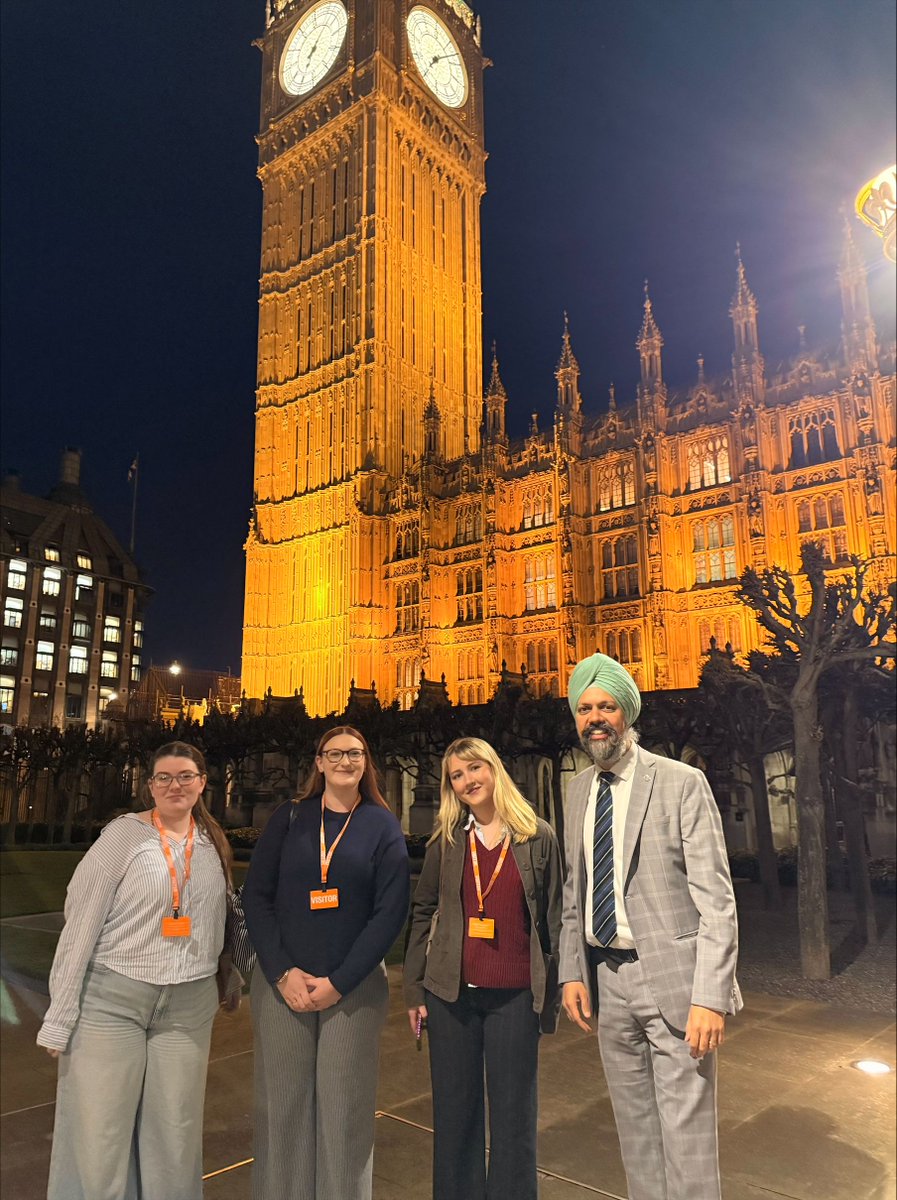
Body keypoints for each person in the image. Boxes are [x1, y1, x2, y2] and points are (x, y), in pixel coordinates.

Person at [560, 653, 742, 1200]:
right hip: (608, 984)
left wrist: (710, 996)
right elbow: (575, 890)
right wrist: (573, 971)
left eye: (607, 706)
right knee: (635, 1136)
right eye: (585, 707)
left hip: (675, 985)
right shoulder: (576, 790)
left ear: (628, 713)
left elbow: (717, 900)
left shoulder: (682, 782)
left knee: (687, 1143)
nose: (596, 717)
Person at [37, 740, 236, 1200]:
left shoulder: (211, 842)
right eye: (164, 777)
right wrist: (60, 1016)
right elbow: (81, 921)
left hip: (187, 1007)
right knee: (99, 1134)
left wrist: (226, 982)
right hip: (113, 1001)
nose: (175, 785)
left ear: (202, 783)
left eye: (186, 776)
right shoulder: (123, 835)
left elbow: (222, 923)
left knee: (176, 1134)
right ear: (150, 786)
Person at [242, 725, 409, 1200]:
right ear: (318, 762)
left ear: (366, 761)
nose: (344, 761)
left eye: (354, 753)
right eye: (333, 753)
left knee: (345, 1114)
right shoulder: (291, 817)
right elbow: (257, 896)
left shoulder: (381, 823)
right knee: (283, 1111)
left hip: (352, 990)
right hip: (283, 986)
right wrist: (280, 971)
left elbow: (389, 912)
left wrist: (340, 981)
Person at [404, 736, 562, 1200]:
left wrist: (554, 989)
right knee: (455, 1118)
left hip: (513, 996)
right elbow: (423, 910)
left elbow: (554, 918)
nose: (467, 780)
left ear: (494, 769)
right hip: (451, 996)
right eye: (457, 775)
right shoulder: (449, 840)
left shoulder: (537, 836)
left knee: (514, 1120)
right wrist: (414, 991)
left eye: (474, 769)